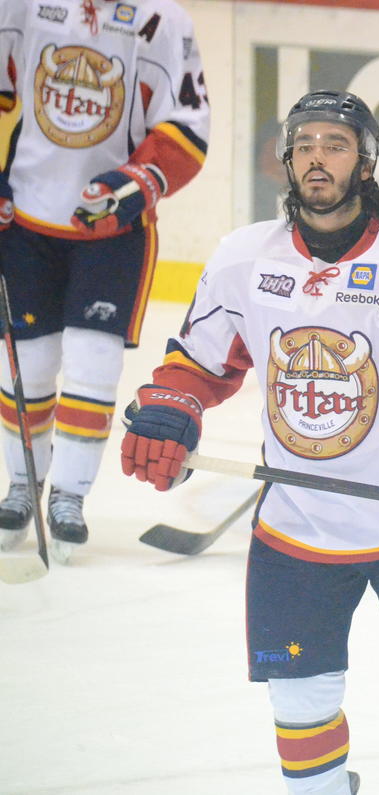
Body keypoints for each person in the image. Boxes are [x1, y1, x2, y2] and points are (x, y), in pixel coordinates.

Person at [120, 90, 379, 794]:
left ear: (366, 162)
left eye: (336, 145)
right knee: (299, 702)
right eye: (305, 144)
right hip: (297, 528)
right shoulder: (243, 258)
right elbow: (198, 361)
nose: (318, 158)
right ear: (287, 159)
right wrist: (171, 409)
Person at [0, 0, 209, 562]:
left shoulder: (162, 18)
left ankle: (69, 495)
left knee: (93, 363)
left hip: (112, 230)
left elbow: (188, 125)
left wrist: (134, 182)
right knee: (27, 362)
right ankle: (21, 484)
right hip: (24, 223)